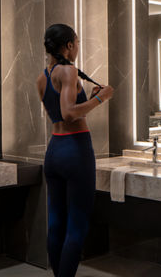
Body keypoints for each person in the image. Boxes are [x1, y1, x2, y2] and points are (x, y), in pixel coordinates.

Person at [35, 24, 114, 277]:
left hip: (54, 151)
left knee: (56, 222)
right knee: (77, 226)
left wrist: (87, 96)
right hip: (76, 150)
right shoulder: (68, 70)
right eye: (77, 42)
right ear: (68, 45)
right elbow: (69, 114)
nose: (78, 47)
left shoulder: (42, 77)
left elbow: (60, 110)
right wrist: (102, 98)